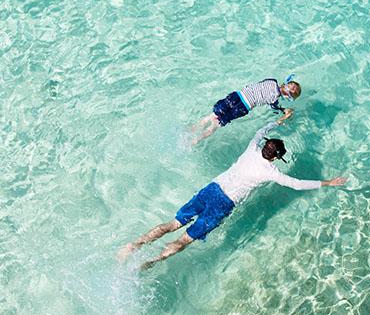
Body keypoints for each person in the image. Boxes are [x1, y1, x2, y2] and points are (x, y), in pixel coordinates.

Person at [119, 110, 347, 269]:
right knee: (184, 240)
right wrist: (327, 183)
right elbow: (297, 184)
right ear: (276, 158)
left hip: (211, 189)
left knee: (172, 224)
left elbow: (260, 130)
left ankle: (133, 245)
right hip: (223, 204)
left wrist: (280, 121)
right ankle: (150, 262)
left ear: (265, 146)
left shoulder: (251, 149)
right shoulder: (271, 172)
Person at [191, 75, 302, 146]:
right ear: (288, 97)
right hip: (243, 107)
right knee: (216, 124)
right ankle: (195, 140)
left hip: (237, 96)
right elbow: (274, 107)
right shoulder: (275, 98)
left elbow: (261, 83)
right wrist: (284, 110)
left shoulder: (272, 81)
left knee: (212, 116)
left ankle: (191, 129)